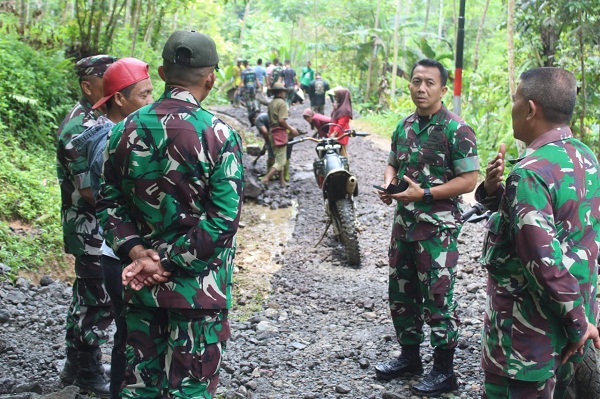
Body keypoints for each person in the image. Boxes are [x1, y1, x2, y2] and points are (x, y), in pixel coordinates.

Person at [96, 30, 244, 399]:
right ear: (211, 77)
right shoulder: (219, 133)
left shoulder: (123, 129)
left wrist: (136, 253)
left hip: (142, 287)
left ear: (162, 72)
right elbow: (223, 219)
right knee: (191, 389)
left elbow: (107, 200)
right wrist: (169, 261)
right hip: (198, 291)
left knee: (140, 386)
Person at [476, 67, 600, 399]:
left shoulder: (530, 175)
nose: (513, 107)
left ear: (530, 109)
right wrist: (492, 190)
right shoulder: (585, 157)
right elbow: (562, 228)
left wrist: (578, 326)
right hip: (571, 325)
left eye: (515, 100)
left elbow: (544, 263)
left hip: (527, 339)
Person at [374, 58, 480, 397]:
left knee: (437, 298)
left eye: (429, 83)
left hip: (437, 230)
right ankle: (409, 357)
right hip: (403, 226)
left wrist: (427, 193)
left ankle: (444, 370)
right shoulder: (404, 125)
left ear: (442, 89)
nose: (421, 88)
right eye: (416, 81)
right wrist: (390, 186)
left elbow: (469, 180)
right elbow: (392, 162)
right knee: (401, 293)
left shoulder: (456, 129)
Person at [71, 57, 154, 399]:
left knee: (128, 334)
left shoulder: (116, 133)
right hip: (119, 252)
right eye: (145, 94)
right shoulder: (108, 139)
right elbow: (105, 198)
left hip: (118, 250)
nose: (151, 102)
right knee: (132, 335)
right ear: (120, 99)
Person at [56, 54, 116, 396]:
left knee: (87, 295)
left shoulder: (98, 117)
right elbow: (91, 191)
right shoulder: (79, 127)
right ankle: (87, 367)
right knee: (97, 297)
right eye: (105, 81)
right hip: (89, 225)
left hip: (97, 224)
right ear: (87, 85)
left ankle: (75, 365)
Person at [261, 82, 298, 186]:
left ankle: (282, 182)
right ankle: (266, 179)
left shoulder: (271, 103)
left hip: (272, 132)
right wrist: (291, 129)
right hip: (279, 133)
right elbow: (281, 120)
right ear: (281, 92)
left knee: (278, 157)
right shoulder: (282, 103)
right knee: (281, 161)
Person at [328, 87, 353, 157]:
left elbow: (341, 124)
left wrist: (334, 133)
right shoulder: (340, 106)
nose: (335, 98)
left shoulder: (345, 110)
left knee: (342, 153)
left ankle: (345, 167)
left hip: (341, 134)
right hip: (335, 133)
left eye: (336, 96)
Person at [249, 110, 275, 174]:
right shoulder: (264, 116)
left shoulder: (258, 120)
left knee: (271, 157)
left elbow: (265, 132)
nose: (256, 125)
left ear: (253, 119)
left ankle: (271, 175)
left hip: (275, 135)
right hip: (280, 133)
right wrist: (265, 147)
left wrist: (267, 143)